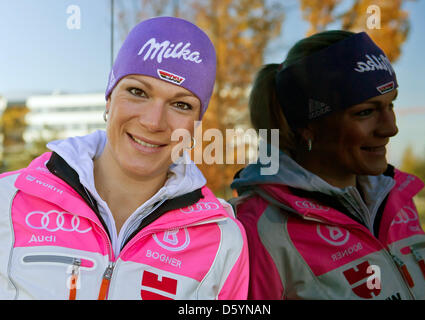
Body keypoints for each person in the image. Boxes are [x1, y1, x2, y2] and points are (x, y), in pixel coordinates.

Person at [0, 16, 248, 300]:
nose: (154, 122)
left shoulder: (223, 241)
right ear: (109, 99)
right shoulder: (7, 201)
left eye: (181, 105)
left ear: (195, 125)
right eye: (137, 92)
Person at [231, 30, 425, 300]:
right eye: (365, 112)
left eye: (390, 105)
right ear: (308, 125)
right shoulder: (259, 230)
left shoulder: (397, 199)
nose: (391, 128)